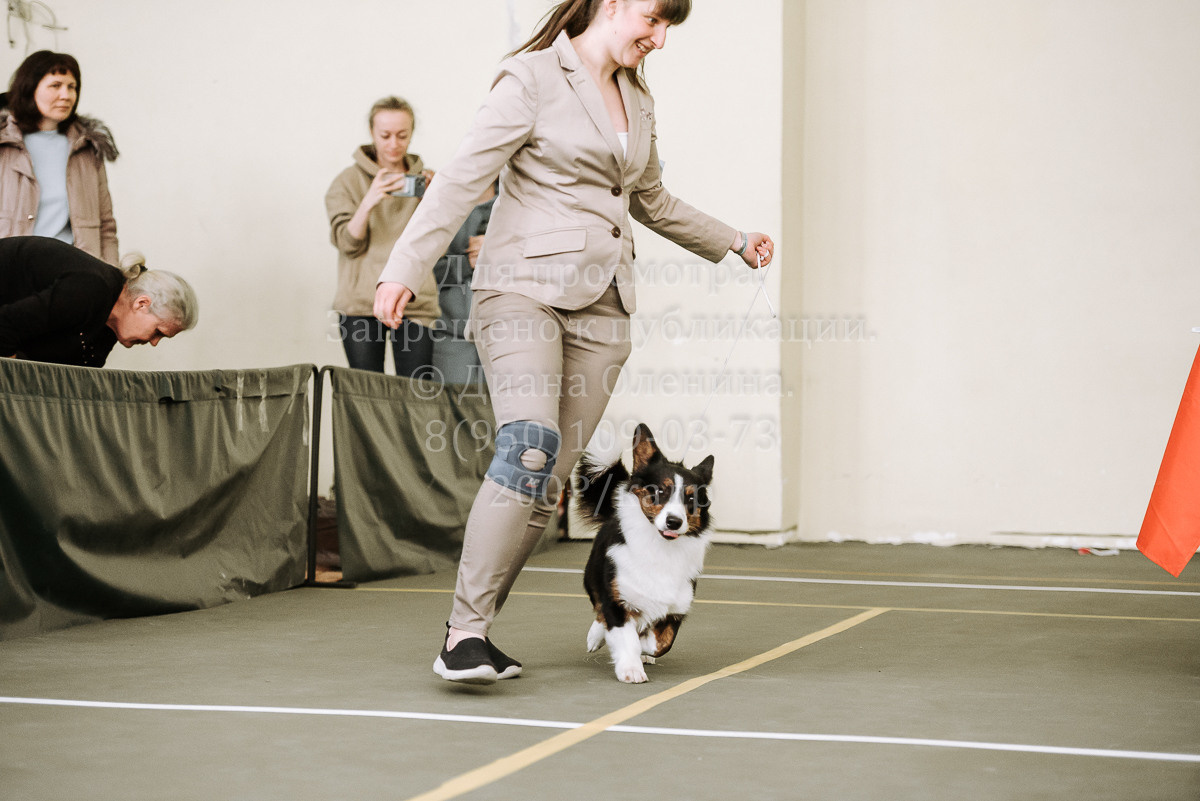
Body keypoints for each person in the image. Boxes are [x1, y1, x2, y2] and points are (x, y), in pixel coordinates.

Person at [374, 0, 775, 684]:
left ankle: (469, 629)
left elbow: (651, 199)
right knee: (528, 445)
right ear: (613, 3)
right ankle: (465, 634)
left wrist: (732, 240)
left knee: (547, 483)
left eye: (670, 27)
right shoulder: (531, 78)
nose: (661, 39)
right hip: (522, 289)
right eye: (654, 20)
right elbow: (463, 178)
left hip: (604, 308)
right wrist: (403, 269)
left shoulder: (637, 99)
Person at [325, 96, 439, 376]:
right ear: (371, 133)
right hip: (361, 303)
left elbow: (440, 241)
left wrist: (438, 198)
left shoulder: (425, 181)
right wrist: (369, 200)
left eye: (402, 135)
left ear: (412, 133)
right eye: (385, 135)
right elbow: (347, 244)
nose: (393, 144)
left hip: (416, 300)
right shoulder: (347, 182)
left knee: (416, 394)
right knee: (366, 395)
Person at [0, 236, 197, 367]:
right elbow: (4, 328)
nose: (154, 343)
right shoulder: (92, 290)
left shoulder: (108, 328)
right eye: (158, 332)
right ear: (142, 303)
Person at [0, 50, 120, 264]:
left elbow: (106, 226)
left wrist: (111, 279)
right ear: (30, 88)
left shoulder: (87, 146)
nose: (66, 95)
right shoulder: (4, 144)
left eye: (71, 87)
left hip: (74, 274)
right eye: (55, 85)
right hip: (13, 274)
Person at [430, 181, 496, 385]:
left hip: (504, 333)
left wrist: (496, 249)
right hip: (450, 333)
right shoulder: (441, 205)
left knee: (500, 412)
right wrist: (467, 262)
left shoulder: (521, 202)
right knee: (448, 409)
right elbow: (426, 273)